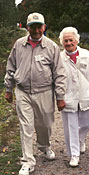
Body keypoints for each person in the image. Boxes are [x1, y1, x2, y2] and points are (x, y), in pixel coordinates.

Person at [4, 12, 67, 175]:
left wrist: (60, 96)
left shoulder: (51, 47)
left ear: (44, 27)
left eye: (39, 26)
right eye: (33, 27)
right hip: (23, 92)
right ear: (27, 28)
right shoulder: (19, 44)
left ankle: (44, 147)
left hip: (44, 92)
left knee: (45, 125)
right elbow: (11, 67)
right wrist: (8, 89)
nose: (36, 30)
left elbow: (59, 73)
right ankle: (27, 161)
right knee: (26, 127)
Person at [59, 27, 89, 167]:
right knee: (70, 128)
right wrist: (60, 97)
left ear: (77, 40)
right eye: (66, 41)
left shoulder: (87, 55)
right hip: (68, 98)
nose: (69, 43)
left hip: (86, 97)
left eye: (71, 40)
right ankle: (73, 155)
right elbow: (56, 79)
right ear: (62, 42)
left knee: (86, 124)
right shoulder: (59, 58)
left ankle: (81, 139)